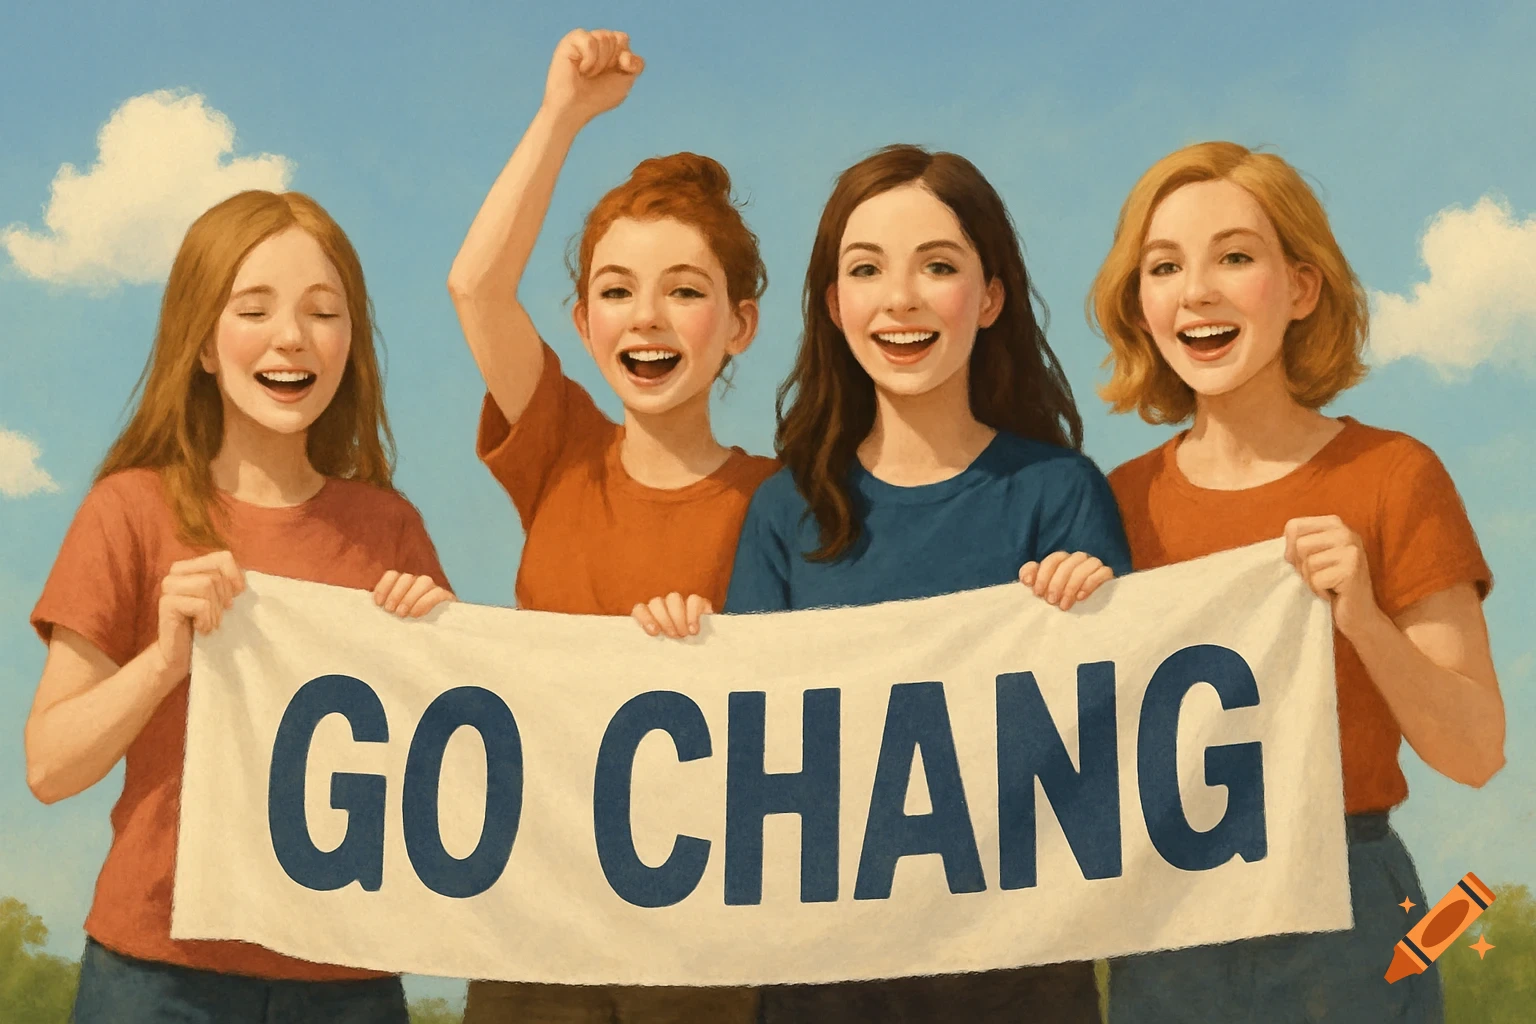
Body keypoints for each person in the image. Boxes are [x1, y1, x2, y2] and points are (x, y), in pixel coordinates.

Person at [704, 143, 1127, 1023]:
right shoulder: (787, 512)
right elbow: (739, 746)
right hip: (825, 972)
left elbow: (1117, 751)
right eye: (867, 269)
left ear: (991, 295)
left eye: (937, 266)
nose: (900, 297)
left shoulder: (1059, 493)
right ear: (834, 304)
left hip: (1019, 973)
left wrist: (1099, 620)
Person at [1090, 140, 1504, 1023]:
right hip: (1171, 915)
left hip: (1349, 914)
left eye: (1234, 257)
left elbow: (1476, 753)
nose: (1197, 290)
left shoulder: (1394, 474)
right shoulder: (1113, 506)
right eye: (1164, 266)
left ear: (1302, 288)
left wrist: (1364, 618)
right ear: (1142, 304)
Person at [25, 189, 454, 1023]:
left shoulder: (389, 529)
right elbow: (49, 767)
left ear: (350, 343)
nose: (292, 337)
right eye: (253, 309)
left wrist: (436, 653)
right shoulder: (129, 510)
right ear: (204, 345)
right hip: (155, 975)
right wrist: (161, 663)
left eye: (323, 313)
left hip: (349, 978)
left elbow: (450, 775)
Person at [447, 28, 776, 1024]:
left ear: (739, 325)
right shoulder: (560, 452)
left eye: (685, 292)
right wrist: (564, 115)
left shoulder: (788, 499)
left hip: (708, 925)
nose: (648, 319)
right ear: (583, 319)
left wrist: (716, 653)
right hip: (538, 905)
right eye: (617, 292)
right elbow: (475, 286)